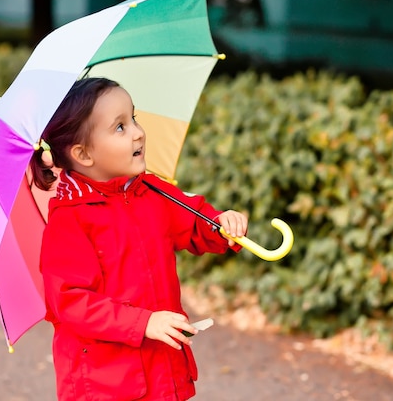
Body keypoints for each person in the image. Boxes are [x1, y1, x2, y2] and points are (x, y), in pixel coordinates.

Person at [30, 77, 248, 401]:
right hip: (106, 383)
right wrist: (143, 323)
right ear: (83, 153)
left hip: (161, 369)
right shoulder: (71, 219)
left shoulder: (151, 192)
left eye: (134, 118)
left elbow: (195, 222)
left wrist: (221, 225)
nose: (137, 132)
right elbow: (71, 301)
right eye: (120, 127)